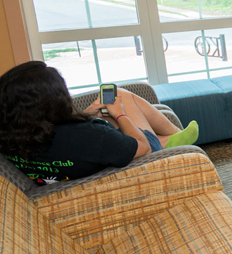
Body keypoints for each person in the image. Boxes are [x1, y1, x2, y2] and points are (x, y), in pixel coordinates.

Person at [0, 61, 199, 185]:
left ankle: (170, 140)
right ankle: (171, 141)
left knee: (110, 105)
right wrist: (121, 116)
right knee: (119, 99)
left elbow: (67, 138)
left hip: (90, 161)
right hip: (136, 160)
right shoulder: (89, 136)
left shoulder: (8, 135)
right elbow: (143, 148)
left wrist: (86, 115)